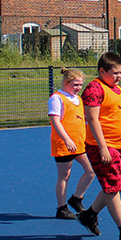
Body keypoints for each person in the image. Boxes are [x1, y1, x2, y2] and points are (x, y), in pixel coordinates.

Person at [75, 53, 121, 240]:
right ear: (102, 71)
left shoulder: (118, 89)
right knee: (112, 187)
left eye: (120, 73)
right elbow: (93, 119)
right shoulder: (95, 89)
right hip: (102, 145)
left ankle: (89, 215)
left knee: (116, 187)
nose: (118, 76)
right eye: (114, 73)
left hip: (120, 145)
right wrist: (103, 147)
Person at [49, 68, 97, 220]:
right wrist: (66, 139)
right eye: (75, 84)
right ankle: (61, 207)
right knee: (65, 175)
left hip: (79, 143)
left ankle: (77, 198)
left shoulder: (78, 99)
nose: (78, 88)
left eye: (81, 85)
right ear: (66, 82)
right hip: (64, 144)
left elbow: (82, 118)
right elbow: (56, 121)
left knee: (91, 170)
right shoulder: (57, 98)